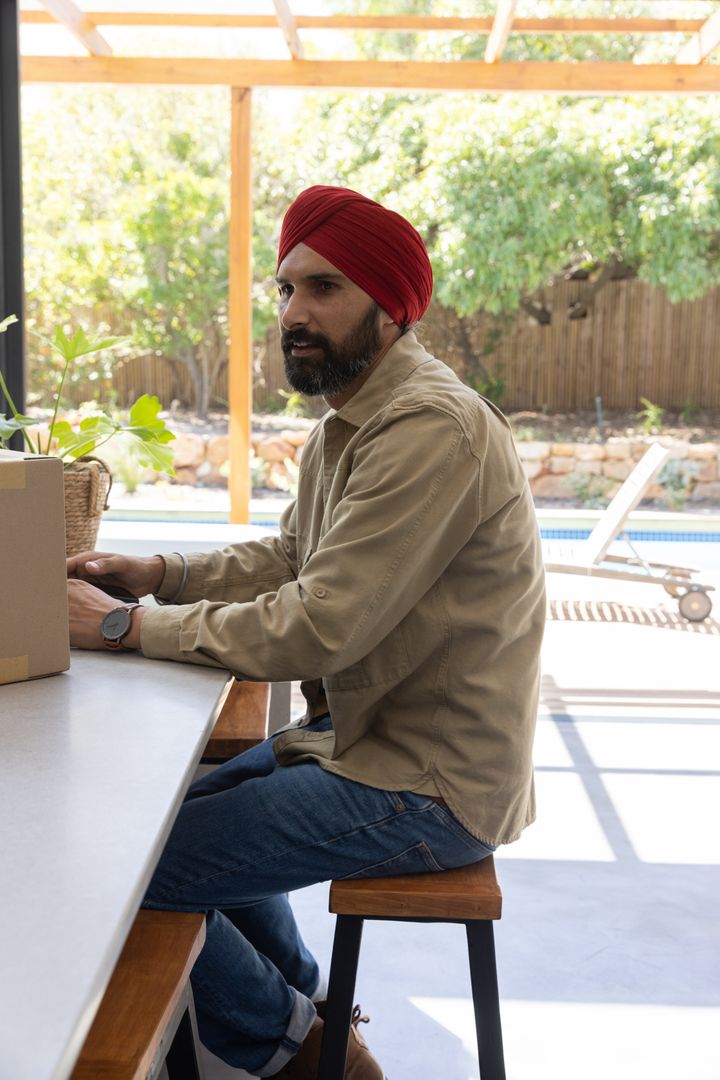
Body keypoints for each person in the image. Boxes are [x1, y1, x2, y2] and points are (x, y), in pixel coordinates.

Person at [67, 185, 546, 1079]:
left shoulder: (428, 431)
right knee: (160, 818)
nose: (294, 314)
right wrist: (156, 573)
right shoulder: (353, 421)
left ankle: (293, 1050)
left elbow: (318, 624)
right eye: (286, 290)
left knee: (127, 870)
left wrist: (129, 629)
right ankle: (317, 1024)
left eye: (323, 289)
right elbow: (295, 555)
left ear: (388, 305)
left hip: (428, 787)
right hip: (358, 743)